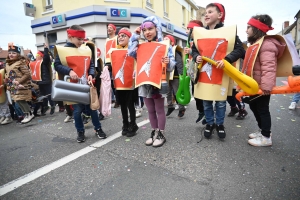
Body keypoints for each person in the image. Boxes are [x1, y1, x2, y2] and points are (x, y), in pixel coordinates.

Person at [191, 3, 245, 139]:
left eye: (210, 12)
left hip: (221, 73)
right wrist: (196, 56)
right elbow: (195, 49)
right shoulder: (200, 32)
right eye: (205, 13)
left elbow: (239, 49)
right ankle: (210, 123)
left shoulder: (229, 33)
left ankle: (220, 124)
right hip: (205, 73)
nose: (206, 15)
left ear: (220, 15)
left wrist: (227, 59)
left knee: (221, 102)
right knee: (207, 101)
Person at [128, 16, 176, 147]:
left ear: (157, 29)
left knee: (159, 109)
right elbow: (129, 52)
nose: (147, 32)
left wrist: (168, 62)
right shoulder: (140, 46)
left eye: (150, 29)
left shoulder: (165, 45)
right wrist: (135, 34)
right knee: (150, 110)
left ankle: (161, 134)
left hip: (158, 82)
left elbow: (172, 66)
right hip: (144, 81)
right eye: (145, 29)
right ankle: (154, 132)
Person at [54, 25, 107, 143]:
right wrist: (69, 71)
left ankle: (98, 128)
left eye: (82, 39)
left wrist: (91, 74)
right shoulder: (62, 51)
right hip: (73, 87)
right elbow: (57, 65)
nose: (82, 41)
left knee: (93, 108)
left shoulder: (86, 49)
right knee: (77, 111)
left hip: (86, 85)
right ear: (70, 37)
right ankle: (80, 131)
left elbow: (91, 64)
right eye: (79, 39)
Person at [244, 14, 286, 146]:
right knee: (253, 105)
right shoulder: (257, 44)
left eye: (249, 27)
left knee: (262, 109)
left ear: (257, 29)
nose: (246, 30)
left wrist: (266, 87)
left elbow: (269, 67)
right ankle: (263, 130)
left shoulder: (266, 45)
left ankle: (266, 137)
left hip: (262, 86)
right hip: (254, 85)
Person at [111, 27, 139, 137]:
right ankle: (125, 124)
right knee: (122, 105)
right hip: (119, 83)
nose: (120, 38)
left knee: (130, 105)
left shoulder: (134, 49)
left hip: (130, 82)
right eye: (119, 36)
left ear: (129, 37)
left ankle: (133, 124)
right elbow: (110, 64)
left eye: (123, 36)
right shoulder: (113, 50)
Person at [4, 43, 35, 123]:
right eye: (10, 53)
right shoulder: (7, 63)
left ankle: (30, 113)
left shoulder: (21, 62)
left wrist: (19, 81)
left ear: (17, 54)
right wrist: (6, 80)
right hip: (12, 85)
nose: (11, 55)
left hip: (20, 84)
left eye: (13, 53)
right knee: (16, 100)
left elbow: (27, 74)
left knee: (20, 99)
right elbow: (8, 73)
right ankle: (26, 114)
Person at [183, 20, 205, 123]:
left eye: (189, 29)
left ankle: (205, 113)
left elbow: (203, 53)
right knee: (195, 92)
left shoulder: (201, 40)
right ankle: (201, 111)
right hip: (193, 70)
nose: (186, 31)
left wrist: (191, 51)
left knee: (202, 93)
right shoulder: (190, 42)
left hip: (201, 70)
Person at [164, 35, 185, 118]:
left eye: (166, 40)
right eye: (164, 39)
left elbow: (179, 63)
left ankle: (181, 108)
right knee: (168, 92)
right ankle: (170, 106)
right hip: (167, 75)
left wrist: (181, 74)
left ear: (172, 42)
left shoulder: (174, 51)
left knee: (177, 93)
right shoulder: (164, 50)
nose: (164, 41)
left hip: (175, 75)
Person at [33, 44, 55, 115]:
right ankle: (45, 106)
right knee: (43, 95)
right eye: (36, 56)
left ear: (41, 56)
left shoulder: (44, 62)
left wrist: (46, 49)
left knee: (49, 95)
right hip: (40, 82)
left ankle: (52, 106)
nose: (36, 57)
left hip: (46, 81)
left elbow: (46, 58)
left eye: (37, 56)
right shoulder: (36, 64)